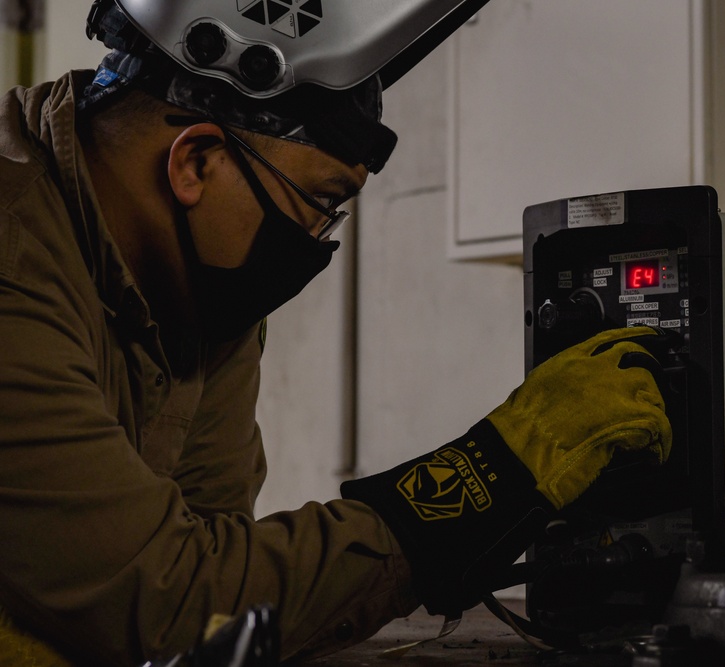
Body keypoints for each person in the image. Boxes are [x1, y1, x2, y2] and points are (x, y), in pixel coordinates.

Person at [0, 1, 674, 664]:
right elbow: (169, 607)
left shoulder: (193, 290)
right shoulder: (15, 254)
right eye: (320, 205)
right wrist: (495, 473)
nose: (313, 245)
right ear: (196, 163)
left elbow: (221, 602)